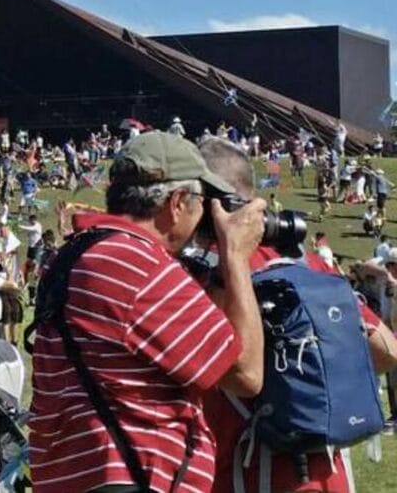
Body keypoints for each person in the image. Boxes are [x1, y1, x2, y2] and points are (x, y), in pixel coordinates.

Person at [29, 131, 266, 493]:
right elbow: (246, 374)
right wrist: (235, 256)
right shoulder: (137, 264)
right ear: (177, 202)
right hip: (134, 475)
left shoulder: (78, 255)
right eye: (203, 201)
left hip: (78, 473)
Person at [198, 136, 397, 492]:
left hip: (245, 472)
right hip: (328, 472)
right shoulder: (309, 263)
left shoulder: (204, 273)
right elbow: (387, 351)